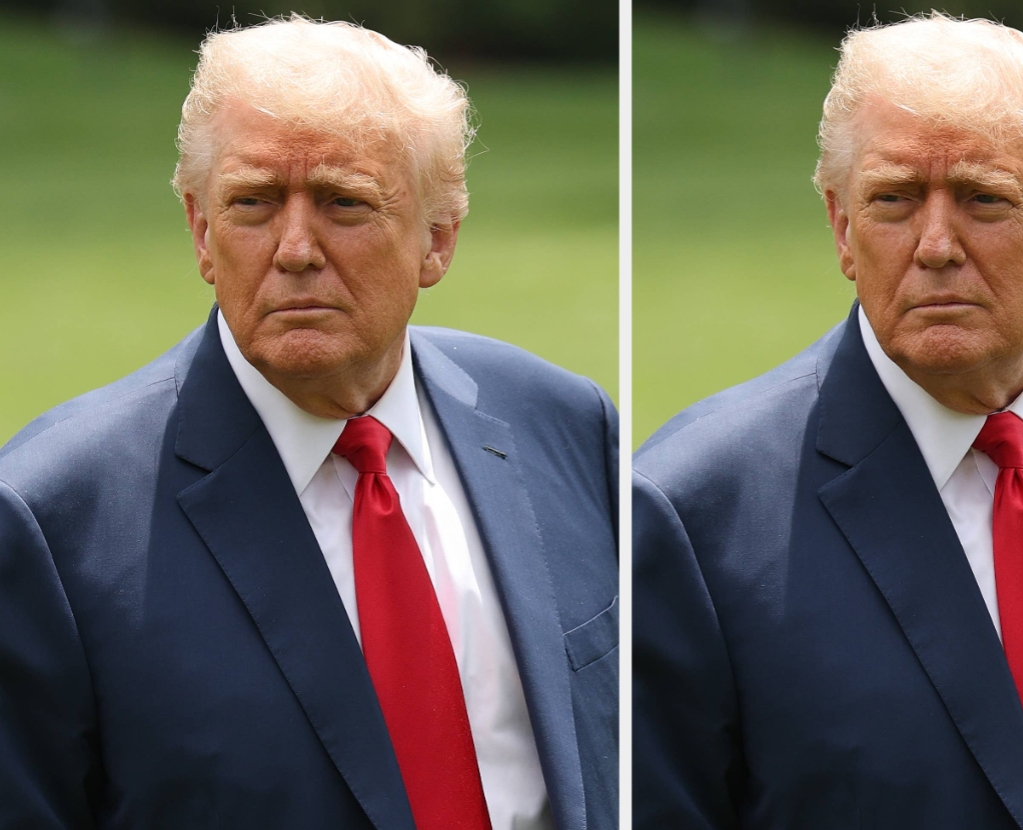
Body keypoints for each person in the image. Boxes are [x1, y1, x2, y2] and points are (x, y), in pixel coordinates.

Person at [0, 16, 617, 830]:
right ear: (201, 231)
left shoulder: (560, 422)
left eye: (342, 203)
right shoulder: (50, 520)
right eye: (252, 203)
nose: (294, 248)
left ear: (437, 239)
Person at [634, 13, 1023, 830]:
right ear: (841, 228)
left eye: (982, 199)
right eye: (891, 200)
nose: (932, 245)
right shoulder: (693, 512)